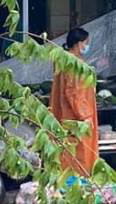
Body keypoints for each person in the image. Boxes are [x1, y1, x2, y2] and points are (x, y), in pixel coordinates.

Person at [50, 27, 99, 176]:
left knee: (65, 157)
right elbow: (74, 93)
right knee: (79, 160)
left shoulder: (63, 61)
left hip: (64, 117)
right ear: (78, 43)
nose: (87, 46)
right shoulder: (75, 65)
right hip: (76, 120)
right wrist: (85, 117)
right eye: (86, 43)